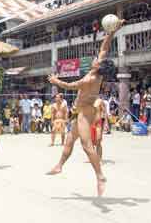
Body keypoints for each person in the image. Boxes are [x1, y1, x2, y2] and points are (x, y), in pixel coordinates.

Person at [47, 18, 123, 196]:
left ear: (99, 67)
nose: (95, 59)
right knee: (69, 140)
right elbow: (105, 47)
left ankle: (100, 176)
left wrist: (56, 81)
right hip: (80, 111)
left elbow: (72, 86)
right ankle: (59, 166)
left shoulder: (90, 79)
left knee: (87, 145)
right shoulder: (96, 71)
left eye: (97, 61)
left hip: (86, 111)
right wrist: (112, 31)